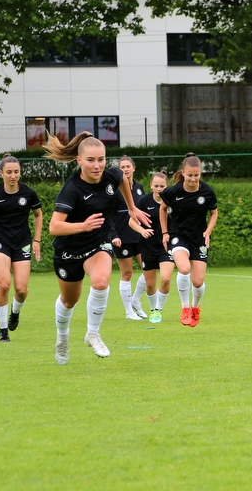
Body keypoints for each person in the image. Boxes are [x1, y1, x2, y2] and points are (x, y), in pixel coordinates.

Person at [45, 132, 149, 365]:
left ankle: (92, 333)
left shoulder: (111, 176)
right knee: (69, 300)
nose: (97, 165)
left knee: (101, 282)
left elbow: (122, 178)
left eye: (101, 159)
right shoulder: (72, 189)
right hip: (69, 251)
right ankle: (62, 338)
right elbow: (54, 227)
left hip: (98, 244)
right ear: (78, 161)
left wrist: (131, 207)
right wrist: (82, 226)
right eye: (91, 160)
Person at [0, 156, 43, 342]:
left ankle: (15, 312)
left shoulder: (28, 194)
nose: (13, 176)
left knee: (21, 289)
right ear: (1, 173)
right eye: (9, 172)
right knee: (3, 284)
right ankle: (3, 330)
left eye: (16, 172)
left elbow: (38, 215)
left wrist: (37, 240)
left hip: (22, 243)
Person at [159, 153, 218, 327]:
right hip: (178, 236)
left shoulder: (207, 192)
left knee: (198, 281)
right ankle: (185, 308)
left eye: (196, 175)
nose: (193, 178)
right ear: (183, 173)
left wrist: (208, 232)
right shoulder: (173, 191)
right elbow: (162, 209)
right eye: (190, 175)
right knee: (184, 269)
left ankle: (195, 307)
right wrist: (165, 233)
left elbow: (214, 213)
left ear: (200, 174)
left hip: (199, 238)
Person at [113, 155, 148, 320]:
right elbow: (107, 215)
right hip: (122, 236)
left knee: (149, 269)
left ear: (134, 168)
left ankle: (135, 300)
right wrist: (113, 234)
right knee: (126, 273)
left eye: (128, 166)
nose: (125, 169)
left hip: (140, 235)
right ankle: (128, 312)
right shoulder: (113, 189)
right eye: (122, 167)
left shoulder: (139, 187)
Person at [135, 171, 173, 323]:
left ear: (167, 186)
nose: (159, 189)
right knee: (150, 285)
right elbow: (131, 221)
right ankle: (153, 309)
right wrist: (142, 230)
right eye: (156, 186)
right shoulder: (144, 202)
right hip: (148, 247)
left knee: (165, 278)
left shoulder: (171, 202)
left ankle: (159, 310)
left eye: (162, 186)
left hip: (166, 246)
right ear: (151, 186)